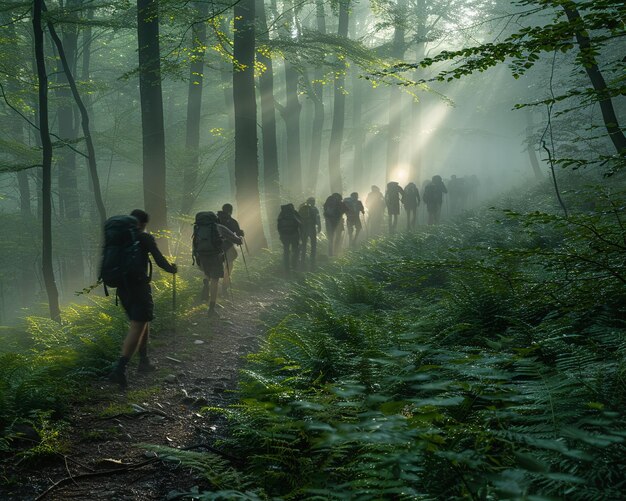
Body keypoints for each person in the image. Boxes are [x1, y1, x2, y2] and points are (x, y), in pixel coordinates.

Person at [108, 209, 177, 389]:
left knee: (141, 321)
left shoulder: (118, 238)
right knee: (138, 324)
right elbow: (160, 260)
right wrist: (172, 269)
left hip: (122, 288)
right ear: (143, 223)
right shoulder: (144, 238)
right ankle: (120, 369)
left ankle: (144, 361)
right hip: (139, 287)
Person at [194, 211, 242, 318]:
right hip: (215, 256)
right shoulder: (218, 227)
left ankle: (206, 281)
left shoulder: (198, 228)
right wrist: (239, 240)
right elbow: (233, 237)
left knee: (207, 271)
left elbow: (195, 243)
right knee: (215, 281)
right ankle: (211, 309)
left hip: (202, 255)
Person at [217, 203, 244, 297]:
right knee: (229, 266)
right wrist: (241, 233)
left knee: (215, 266)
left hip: (216, 247)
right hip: (228, 247)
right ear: (231, 211)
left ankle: (212, 287)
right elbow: (238, 233)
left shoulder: (215, 220)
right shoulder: (232, 221)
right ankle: (225, 288)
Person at [277, 203, 302, 276]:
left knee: (286, 252)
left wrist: (281, 235)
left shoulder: (281, 214)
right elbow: (300, 223)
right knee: (295, 251)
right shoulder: (294, 213)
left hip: (285, 236)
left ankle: (286, 269)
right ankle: (294, 267)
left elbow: (278, 226)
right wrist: (301, 235)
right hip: (294, 235)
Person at [299, 197, 321, 270]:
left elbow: (298, 218)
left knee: (304, 244)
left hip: (304, 229)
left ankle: (302, 260)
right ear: (313, 202)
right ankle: (312, 261)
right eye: (313, 201)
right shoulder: (314, 209)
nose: (314, 202)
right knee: (313, 244)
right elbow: (318, 218)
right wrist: (319, 226)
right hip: (312, 228)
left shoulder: (302, 208)